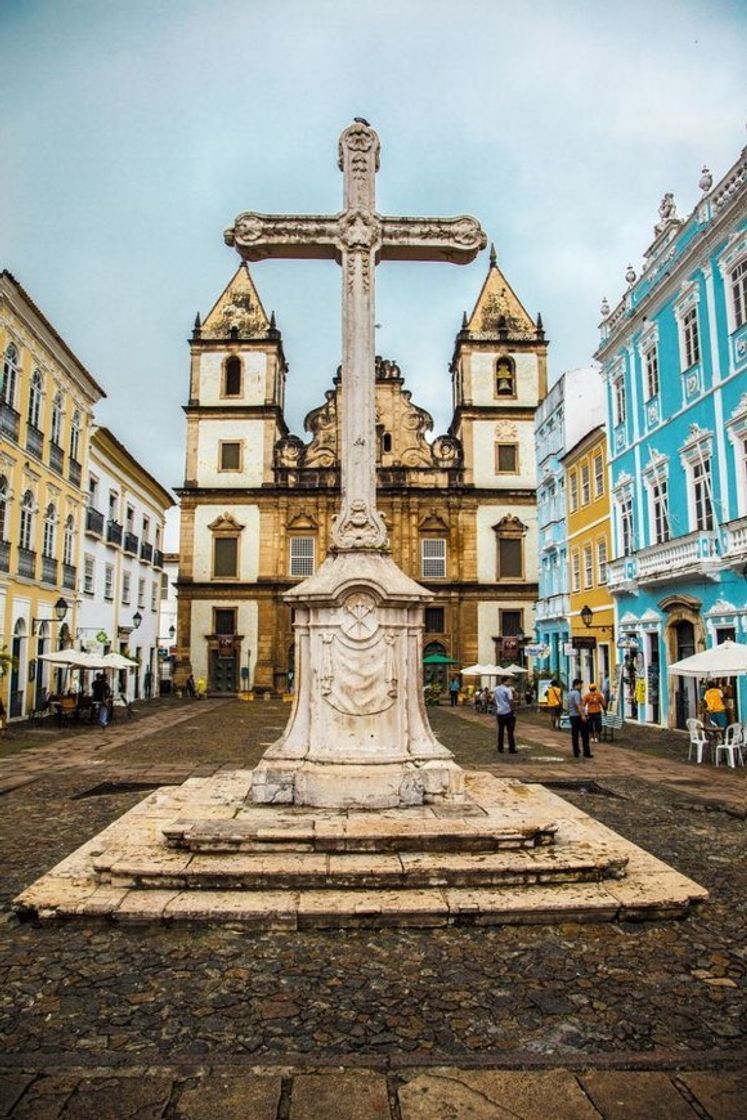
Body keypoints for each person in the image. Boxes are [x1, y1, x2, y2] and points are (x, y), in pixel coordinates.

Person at [568, 677, 592, 758]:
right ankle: (586, 751)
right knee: (584, 734)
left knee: (574, 735)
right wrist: (582, 715)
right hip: (577, 716)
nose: (581, 686)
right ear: (577, 685)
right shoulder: (576, 694)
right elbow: (578, 705)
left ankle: (576, 751)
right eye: (581, 685)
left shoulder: (570, 693)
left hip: (572, 716)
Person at [493, 674, 517, 754]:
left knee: (501, 730)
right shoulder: (507, 690)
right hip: (507, 711)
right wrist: (513, 710)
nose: (510, 682)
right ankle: (511, 748)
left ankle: (500, 748)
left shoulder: (496, 689)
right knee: (510, 731)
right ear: (505, 681)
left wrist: (498, 706)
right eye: (509, 681)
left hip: (499, 712)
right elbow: (511, 701)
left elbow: (494, 700)